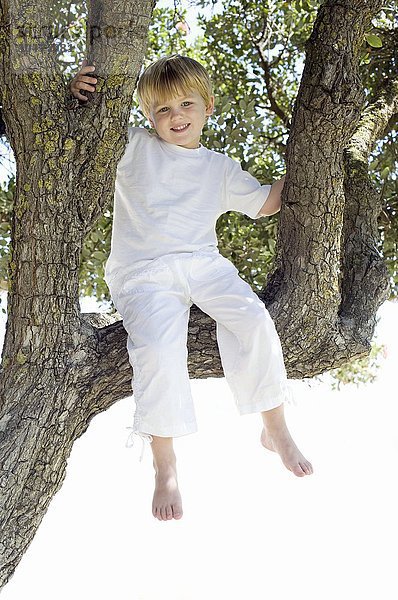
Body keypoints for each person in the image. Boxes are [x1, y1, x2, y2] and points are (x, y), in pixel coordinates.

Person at [70, 54, 313, 521]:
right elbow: (87, 123)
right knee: (159, 352)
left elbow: (265, 204)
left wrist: (315, 163)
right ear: (147, 116)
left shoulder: (218, 167)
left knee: (254, 319)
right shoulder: (133, 147)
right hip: (144, 274)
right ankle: (165, 463)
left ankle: (274, 426)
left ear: (208, 107)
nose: (175, 116)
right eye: (162, 110)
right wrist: (76, 90)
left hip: (204, 265)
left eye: (186, 104)